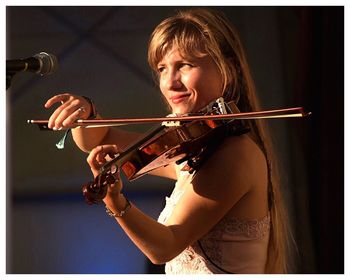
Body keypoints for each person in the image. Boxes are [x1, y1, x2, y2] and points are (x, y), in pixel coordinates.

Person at [44, 8, 294, 274]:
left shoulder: (236, 154)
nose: (170, 82)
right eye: (162, 68)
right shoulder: (196, 149)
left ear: (228, 70)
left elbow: (164, 247)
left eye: (185, 65)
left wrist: (115, 201)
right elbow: (100, 139)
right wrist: (87, 112)